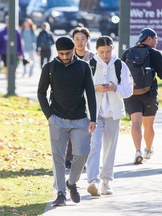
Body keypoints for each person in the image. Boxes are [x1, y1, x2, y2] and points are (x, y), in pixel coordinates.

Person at [37, 36, 97, 206]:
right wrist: (49, 116)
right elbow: (41, 93)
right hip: (57, 119)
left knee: (82, 153)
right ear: (57, 52)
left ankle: (72, 183)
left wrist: (92, 118)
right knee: (58, 157)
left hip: (80, 119)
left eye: (68, 53)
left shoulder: (83, 67)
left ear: (73, 51)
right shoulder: (49, 67)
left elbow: (90, 93)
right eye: (61, 54)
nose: (65, 57)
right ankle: (61, 193)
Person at [86, 36, 133, 197]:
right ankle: (93, 181)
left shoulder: (121, 65)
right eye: (101, 52)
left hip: (113, 113)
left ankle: (106, 182)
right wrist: (95, 88)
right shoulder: (90, 65)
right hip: (95, 113)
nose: (105, 55)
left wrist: (115, 88)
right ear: (96, 51)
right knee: (94, 145)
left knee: (110, 148)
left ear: (112, 49)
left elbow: (129, 90)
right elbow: (81, 89)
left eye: (108, 51)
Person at [121, 28, 162, 164]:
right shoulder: (155, 54)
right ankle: (148, 149)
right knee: (148, 125)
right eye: (155, 39)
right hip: (149, 93)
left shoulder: (128, 53)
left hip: (131, 93)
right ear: (149, 39)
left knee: (135, 123)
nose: (156, 41)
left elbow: (120, 72)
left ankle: (137, 150)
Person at [64, 26, 95, 169]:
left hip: (90, 97)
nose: (80, 42)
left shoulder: (93, 58)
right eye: (77, 39)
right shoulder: (68, 57)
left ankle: (84, 159)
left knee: (86, 130)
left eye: (83, 39)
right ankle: (68, 157)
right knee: (70, 129)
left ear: (87, 40)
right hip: (72, 98)